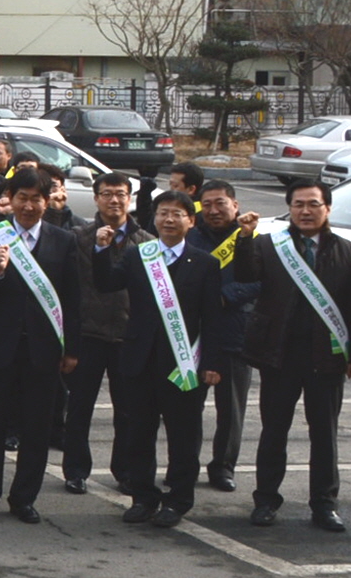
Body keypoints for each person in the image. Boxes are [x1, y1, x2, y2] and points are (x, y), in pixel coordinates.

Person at [235, 179, 351, 531]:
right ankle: (267, 500)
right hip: (279, 355)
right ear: (290, 208)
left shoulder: (347, 252)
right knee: (274, 431)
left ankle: (324, 504)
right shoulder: (271, 245)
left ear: (327, 209)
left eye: (313, 204)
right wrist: (243, 239)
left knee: (324, 434)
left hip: (326, 358)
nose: (305, 210)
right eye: (298, 204)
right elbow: (244, 274)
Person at [91, 190, 226, 527]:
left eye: (177, 214)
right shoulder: (140, 256)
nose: (169, 220)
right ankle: (142, 497)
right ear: (155, 218)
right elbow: (106, 283)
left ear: (190, 222)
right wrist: (101, 250)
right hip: (140, 359)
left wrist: (212, 363)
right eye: (163, 213)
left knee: (183, 435)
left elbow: (213, 318)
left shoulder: (206, 263)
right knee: (139, 432)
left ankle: (177, 500)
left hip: (184, 363)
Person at [0, 168, 80, 525]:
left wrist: (71, 349)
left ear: (47, 202)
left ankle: (24, 498)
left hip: (44, 352)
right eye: (22, 198)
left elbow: (73, 299)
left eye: (36, 199)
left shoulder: (64, 241)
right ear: (10, 200)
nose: (29, 205)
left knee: (36, 429)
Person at [61, 172, 139, 495]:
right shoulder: (78, 237)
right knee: (80, 407)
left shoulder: (145, 240)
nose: (114, 200)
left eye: (120, 194)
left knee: (128, 411)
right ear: (96, 199)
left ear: (129, 198)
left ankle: (125, 470)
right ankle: (76, 470)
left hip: (127, 336)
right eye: (107, 194)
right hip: (88, 333)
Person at [188, 179, 258, 493]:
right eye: (208, 205)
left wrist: (225, 296)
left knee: (230, 409)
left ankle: (223, 467)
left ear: (235, 204)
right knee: (187, 408)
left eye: (221, 203)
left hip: (234, 333)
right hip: (193, 335)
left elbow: (261, 282)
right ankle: (185, 465)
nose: (214, 211)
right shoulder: (190, 236)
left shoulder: (251, 239)